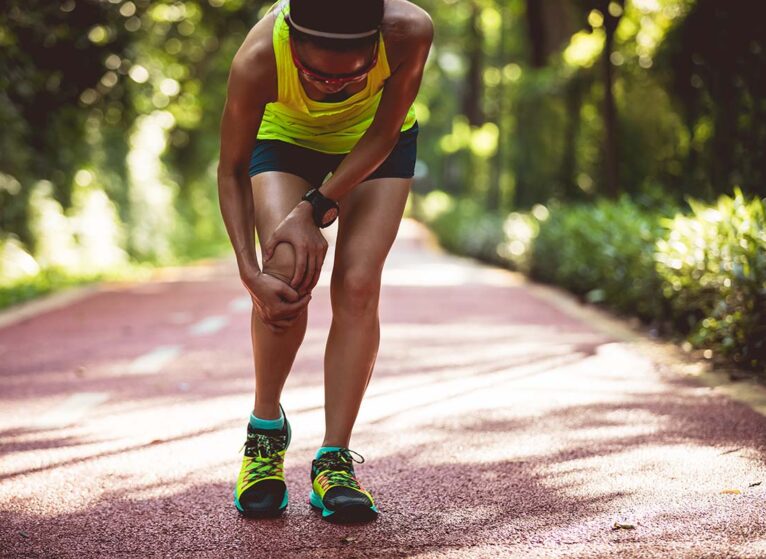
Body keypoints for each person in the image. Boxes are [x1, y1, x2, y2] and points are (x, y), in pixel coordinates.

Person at [217, 0, 433, 523]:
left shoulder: (410, 32)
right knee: (285, 271)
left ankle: (334, 459)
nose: (329, 86)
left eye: (350, 77)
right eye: (314, 75)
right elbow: (231, 168)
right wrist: (250, 272)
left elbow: (384, 134)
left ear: (375, 47)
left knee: (358, 282)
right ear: (292, 43)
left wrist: (313, 206)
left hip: (374, 149)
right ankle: (265, 433)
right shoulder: (259, 57)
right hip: (286, 141)